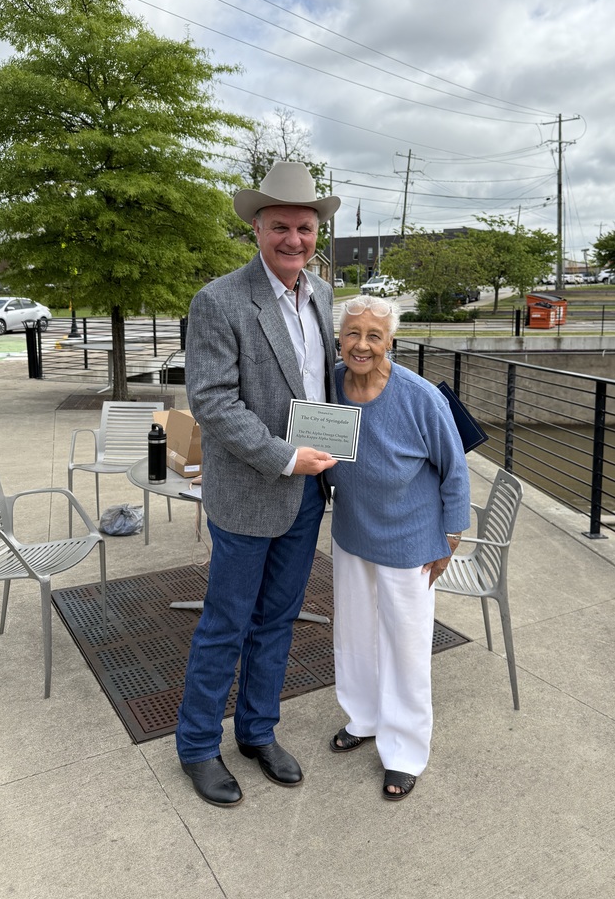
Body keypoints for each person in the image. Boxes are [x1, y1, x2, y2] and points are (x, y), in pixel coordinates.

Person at [175, 161, 340, 807]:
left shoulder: (324, 296)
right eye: (281, 227)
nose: (294, 239)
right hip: (249, 491)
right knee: (226, 622)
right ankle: (196, 746)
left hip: (307, 494)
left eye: (304, 227)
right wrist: (284, 457)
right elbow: (213, 405)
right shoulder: (218, 301)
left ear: (316, 231)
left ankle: (257, 731)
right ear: (256, 227)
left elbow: (327, 385)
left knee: (278, 620)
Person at [327, 296, 471, 801]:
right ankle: (364, 717)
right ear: (339, 338)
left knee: (406, 648)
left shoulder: (418, 395)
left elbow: (455, 470)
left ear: (391, 341)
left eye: (373, 335)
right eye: (352, 333)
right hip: (351, 533)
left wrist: (450, 535)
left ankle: (405, 750)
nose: (361, 344)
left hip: (410, 541)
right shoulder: (330, 385)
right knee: (355, 635)